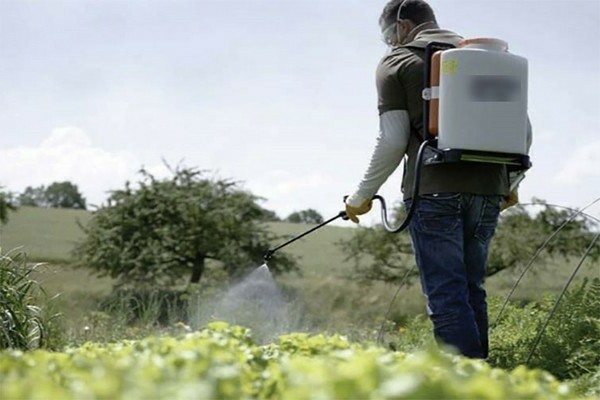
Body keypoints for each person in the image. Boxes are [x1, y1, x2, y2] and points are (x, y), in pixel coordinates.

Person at [344, 0, 531, 359]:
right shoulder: (483, 58)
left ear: (402, 26)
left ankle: (465, 388)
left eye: (388, 36)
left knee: (447, 294)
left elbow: (393, 139)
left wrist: (360, 197)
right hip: (488, 189)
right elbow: (523, 131)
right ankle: (485, 381)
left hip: (432, 189)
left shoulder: (397, 62)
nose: (389, 43)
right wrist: (512, 185)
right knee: (471, 289)